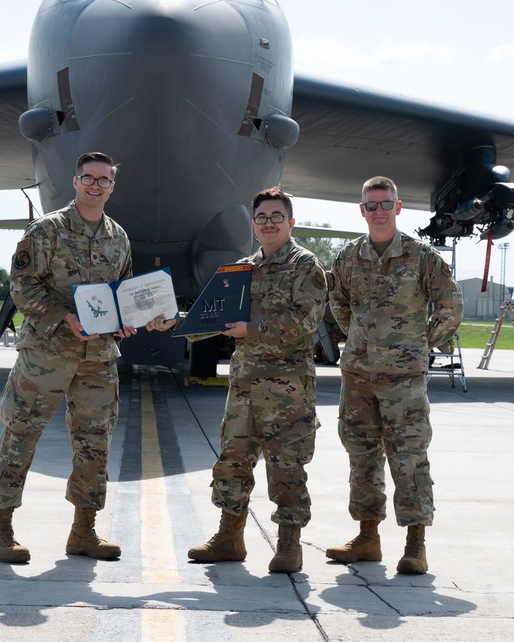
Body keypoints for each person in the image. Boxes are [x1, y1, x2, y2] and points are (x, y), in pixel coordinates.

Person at [148, 187, 327, 573]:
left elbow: (304, 322)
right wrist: (175, 321)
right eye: (262, 217)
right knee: (232, 463)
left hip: (287, 389)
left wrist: (251, 329)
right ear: (253, 224)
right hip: (244, 387)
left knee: (287, 468)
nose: (268, 223)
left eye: (276, 217)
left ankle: (289, 546)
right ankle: (229, 537)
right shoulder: (241, 269)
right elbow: (210, 316)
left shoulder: (306, 266)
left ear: (290, 222)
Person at [0, 152, 139, 563]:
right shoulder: (46, 230)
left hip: (98, 357)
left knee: (95, 442)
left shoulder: (118, 237)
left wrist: (126, 320)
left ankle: (83, 532)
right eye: (88, 178)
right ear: (75, 182)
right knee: (20, 434)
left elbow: (121, 293)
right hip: (47, 354)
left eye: (103, 180)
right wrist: (62, 317)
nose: (95, 185)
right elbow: (21, 285)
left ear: (112, 186)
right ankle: (0, 532)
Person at [325, 176, 463, 575]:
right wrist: (359, 340)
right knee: (362, 456)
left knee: (409, 458)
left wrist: (420, 345)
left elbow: (451, 307)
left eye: (386, 204)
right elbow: (338, 303)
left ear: (398, 208)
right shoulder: (348, 257)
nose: (379, 211)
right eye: (371, 205)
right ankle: (367, 538)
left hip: (403, 379)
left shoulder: (421, 257)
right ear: (362, 210)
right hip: (358, 376)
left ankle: (415, 544)